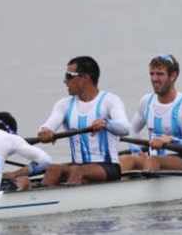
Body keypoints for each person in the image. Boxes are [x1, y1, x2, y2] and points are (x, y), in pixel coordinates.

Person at [35, 56, 130, 186]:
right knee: (53, 169)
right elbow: (49, 125)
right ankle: (43, 201)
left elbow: (125, 128)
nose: (64, 81)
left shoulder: (110, 101)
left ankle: (68, 202)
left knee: (77, 170)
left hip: (108, 166)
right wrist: (45, 131)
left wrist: (106, 123)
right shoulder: (64, 104)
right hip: (78, 166)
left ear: (85, 78)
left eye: (69, 76)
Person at [120, 54, 182, 172]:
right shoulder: (146, 102)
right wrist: (137, 152)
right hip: (152, 159)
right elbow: (131, 131)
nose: (154, 79)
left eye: (159, 74)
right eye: (152, 74)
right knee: (125, 160)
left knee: (153, 160)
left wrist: (171, 139)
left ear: (173, 76)